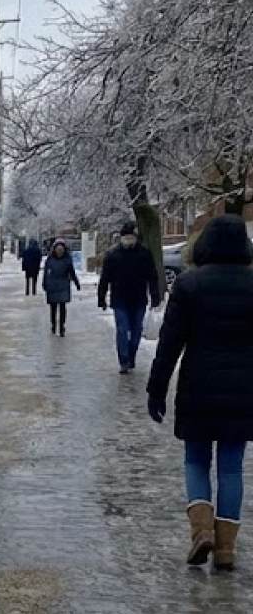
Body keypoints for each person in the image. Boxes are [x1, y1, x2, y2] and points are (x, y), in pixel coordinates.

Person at [146, 214, 253, 570]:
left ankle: (201, 530)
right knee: (232, 468)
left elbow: (170, 342)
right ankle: (225, 549)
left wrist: (156, 388)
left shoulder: (189, 284)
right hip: (243, 389)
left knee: (195, 460)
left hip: (198, 387)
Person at [98, 221, 162, 373]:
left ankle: (131, 355)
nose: (128, 241)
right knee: (122, 329)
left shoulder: (144, 254)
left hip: (138, 299)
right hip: (119, 299)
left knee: (136, 330)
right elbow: (105, 277)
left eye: (131, 238)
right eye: (126, 238)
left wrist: (155, 295)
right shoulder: (113, 255)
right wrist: (101, 297)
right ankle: (124, 360)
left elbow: (152, 276)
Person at [42, 239, 80, 336]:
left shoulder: (67, 259)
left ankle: (62, 326)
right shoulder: (50, 259)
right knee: (53, 307)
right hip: (52, 286)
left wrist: (76, 282)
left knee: (62, 307)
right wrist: (45, 283)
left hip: (63, 285)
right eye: (58, 249)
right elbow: (46, 273)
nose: (59, 251)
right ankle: (54, 324)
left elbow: (72, 272)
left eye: (61, 249)